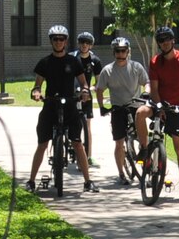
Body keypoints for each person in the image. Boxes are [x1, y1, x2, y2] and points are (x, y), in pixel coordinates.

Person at [26, 25, 95, 192]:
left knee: (77, 143)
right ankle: (31, 181)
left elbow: (84, 83)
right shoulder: (45, 62)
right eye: (55, 39)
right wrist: (36, 93)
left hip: (70, 104)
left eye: (61, 39)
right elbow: (37, 85)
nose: (58, 42)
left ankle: (88, 181)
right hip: (50, 104)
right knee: (42, 143)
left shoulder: (74, 61)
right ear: (51, 41)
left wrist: (85, 91)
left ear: (66, 41)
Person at [147, 25, 179, 199]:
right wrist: (159, 106)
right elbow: (153, 89)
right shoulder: (155, 62)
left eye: (167, 39)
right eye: (161, 40)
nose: (165, 43)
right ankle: (147, 155)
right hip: (161, 106)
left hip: (177, 109)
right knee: (141, 114)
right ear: (159, 44)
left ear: (173, 40)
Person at [93, 35, 150, 183]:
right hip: (118, 108)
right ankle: (121, 174)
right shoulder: (108, 70)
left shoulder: (136, 67)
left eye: (123, 51)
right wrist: (101, 107)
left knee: (144, 140)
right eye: (117, 51)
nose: (120, 54)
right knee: (119, 142)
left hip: (135, 107)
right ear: (114, 52)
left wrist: (147, 92)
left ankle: (148, 169)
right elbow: (99, 90)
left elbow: (147, 82)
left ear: (128, 51)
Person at [73, 31, 103, 159]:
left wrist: (90, 89)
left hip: (86, 94)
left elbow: (98, 82)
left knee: (87, 125)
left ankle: (88, 156)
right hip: (72, 93)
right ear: (78, 44)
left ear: (91, 45)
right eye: (82, 42)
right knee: (71, 122)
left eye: (87, 43)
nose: (84, 45)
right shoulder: (73, 57)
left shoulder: (95, 61)